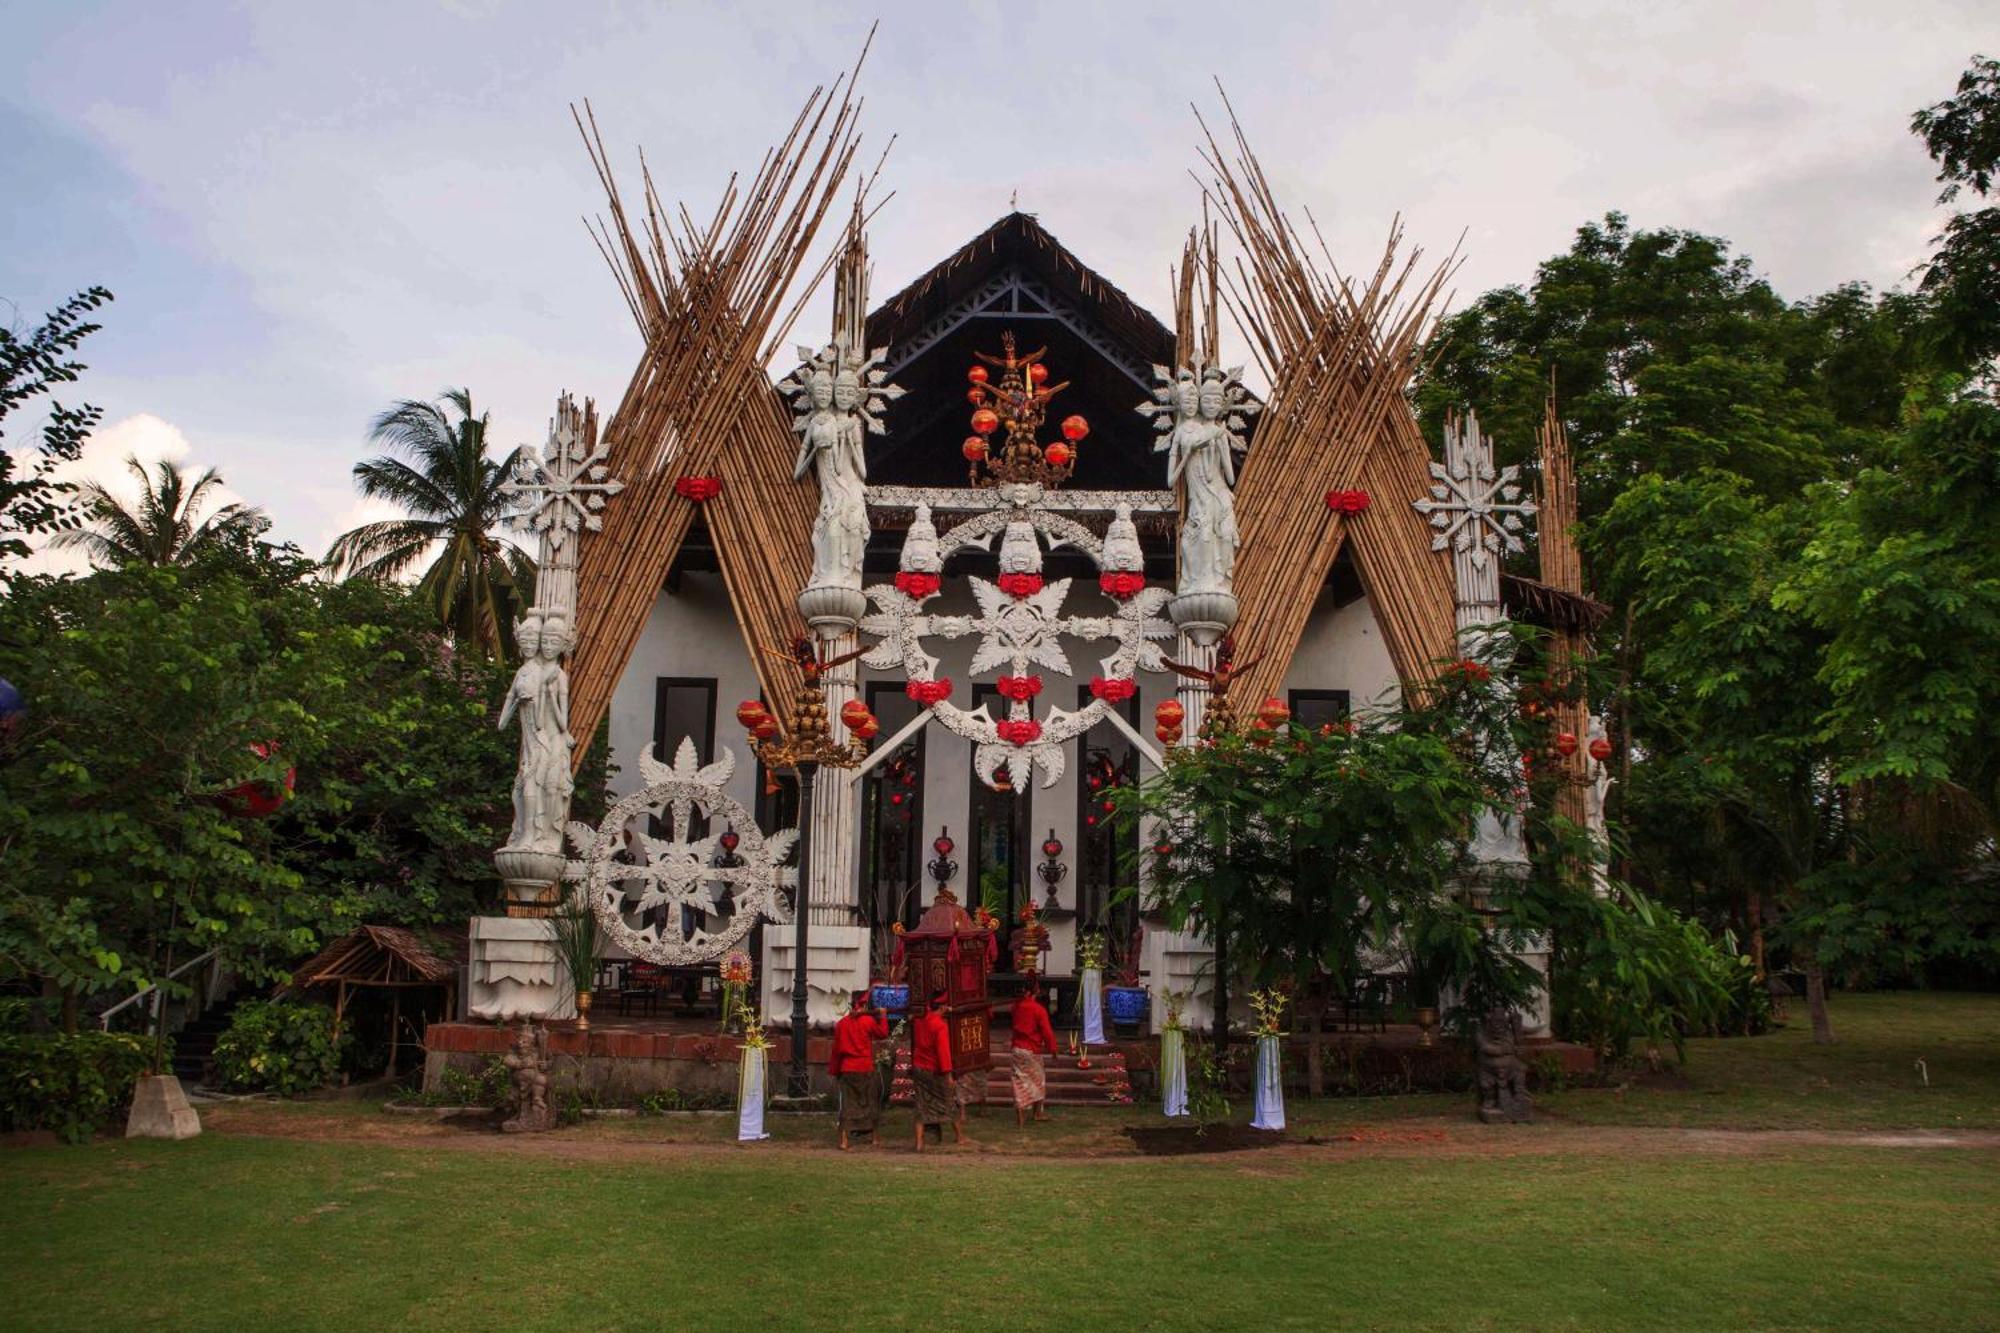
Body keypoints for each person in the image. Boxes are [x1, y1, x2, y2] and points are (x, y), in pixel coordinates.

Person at [828, 990, 889, 1151]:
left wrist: (835, 1072)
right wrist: (883, 1016)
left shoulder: (841, 1024)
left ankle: (844, 1140)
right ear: (864, 1006)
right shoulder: (868, 1021)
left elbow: (836, 1051)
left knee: (847, 1105)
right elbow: (882, 1034)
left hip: (847, 1069)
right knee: (870, 1102)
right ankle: (875, 1138)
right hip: (864, 1068)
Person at [911, 988, 964, 1151]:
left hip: (919, 1068)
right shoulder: (940, 1026)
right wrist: (948, 1075)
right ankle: (960, 1137)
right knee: (950, 1102)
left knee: (921, 1106)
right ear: (942, 1007)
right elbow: (943, 1053)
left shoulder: (919, 1021)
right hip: (934, 1069)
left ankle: (919, 1142)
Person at [1009, 981, 1057, 1126]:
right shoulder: (1038, 1009)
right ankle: (1037, 1112)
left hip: (1017, 1049)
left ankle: (1021, 1112)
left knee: (1019, 1081)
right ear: (1037, 991)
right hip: (1031, 1049)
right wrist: (1053, 1049)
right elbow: (1047, 1032)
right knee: (1038, 1080)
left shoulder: (1016, 1007)